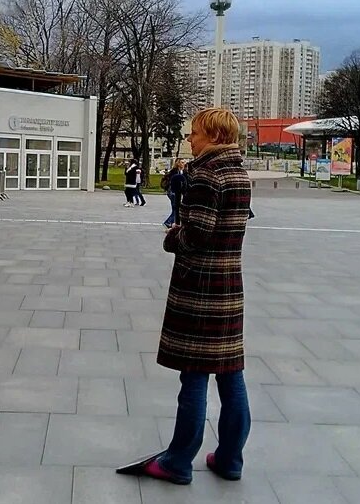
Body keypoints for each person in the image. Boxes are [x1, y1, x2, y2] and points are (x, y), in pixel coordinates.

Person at [122, 107, 252, 485]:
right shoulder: (238, 172)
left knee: (194, 377)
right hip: (229, 285)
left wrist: (172, 236)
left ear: (212, 134)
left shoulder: (207, 174)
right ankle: (230, 459)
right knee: (231, 376)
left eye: (194, 133)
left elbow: (198, 234)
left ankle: (177, 461)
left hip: (201, 290)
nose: (190, 140)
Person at [162, 158, 187, 228]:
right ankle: (169, 222)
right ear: (178, 163)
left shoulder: (183, 171)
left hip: (178, 192)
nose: (184, 164)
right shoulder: (174, 171)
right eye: (182, 162)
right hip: (173, 191)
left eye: (184, 162)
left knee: (175, 208)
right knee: (176, 208)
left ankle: (172, 222)